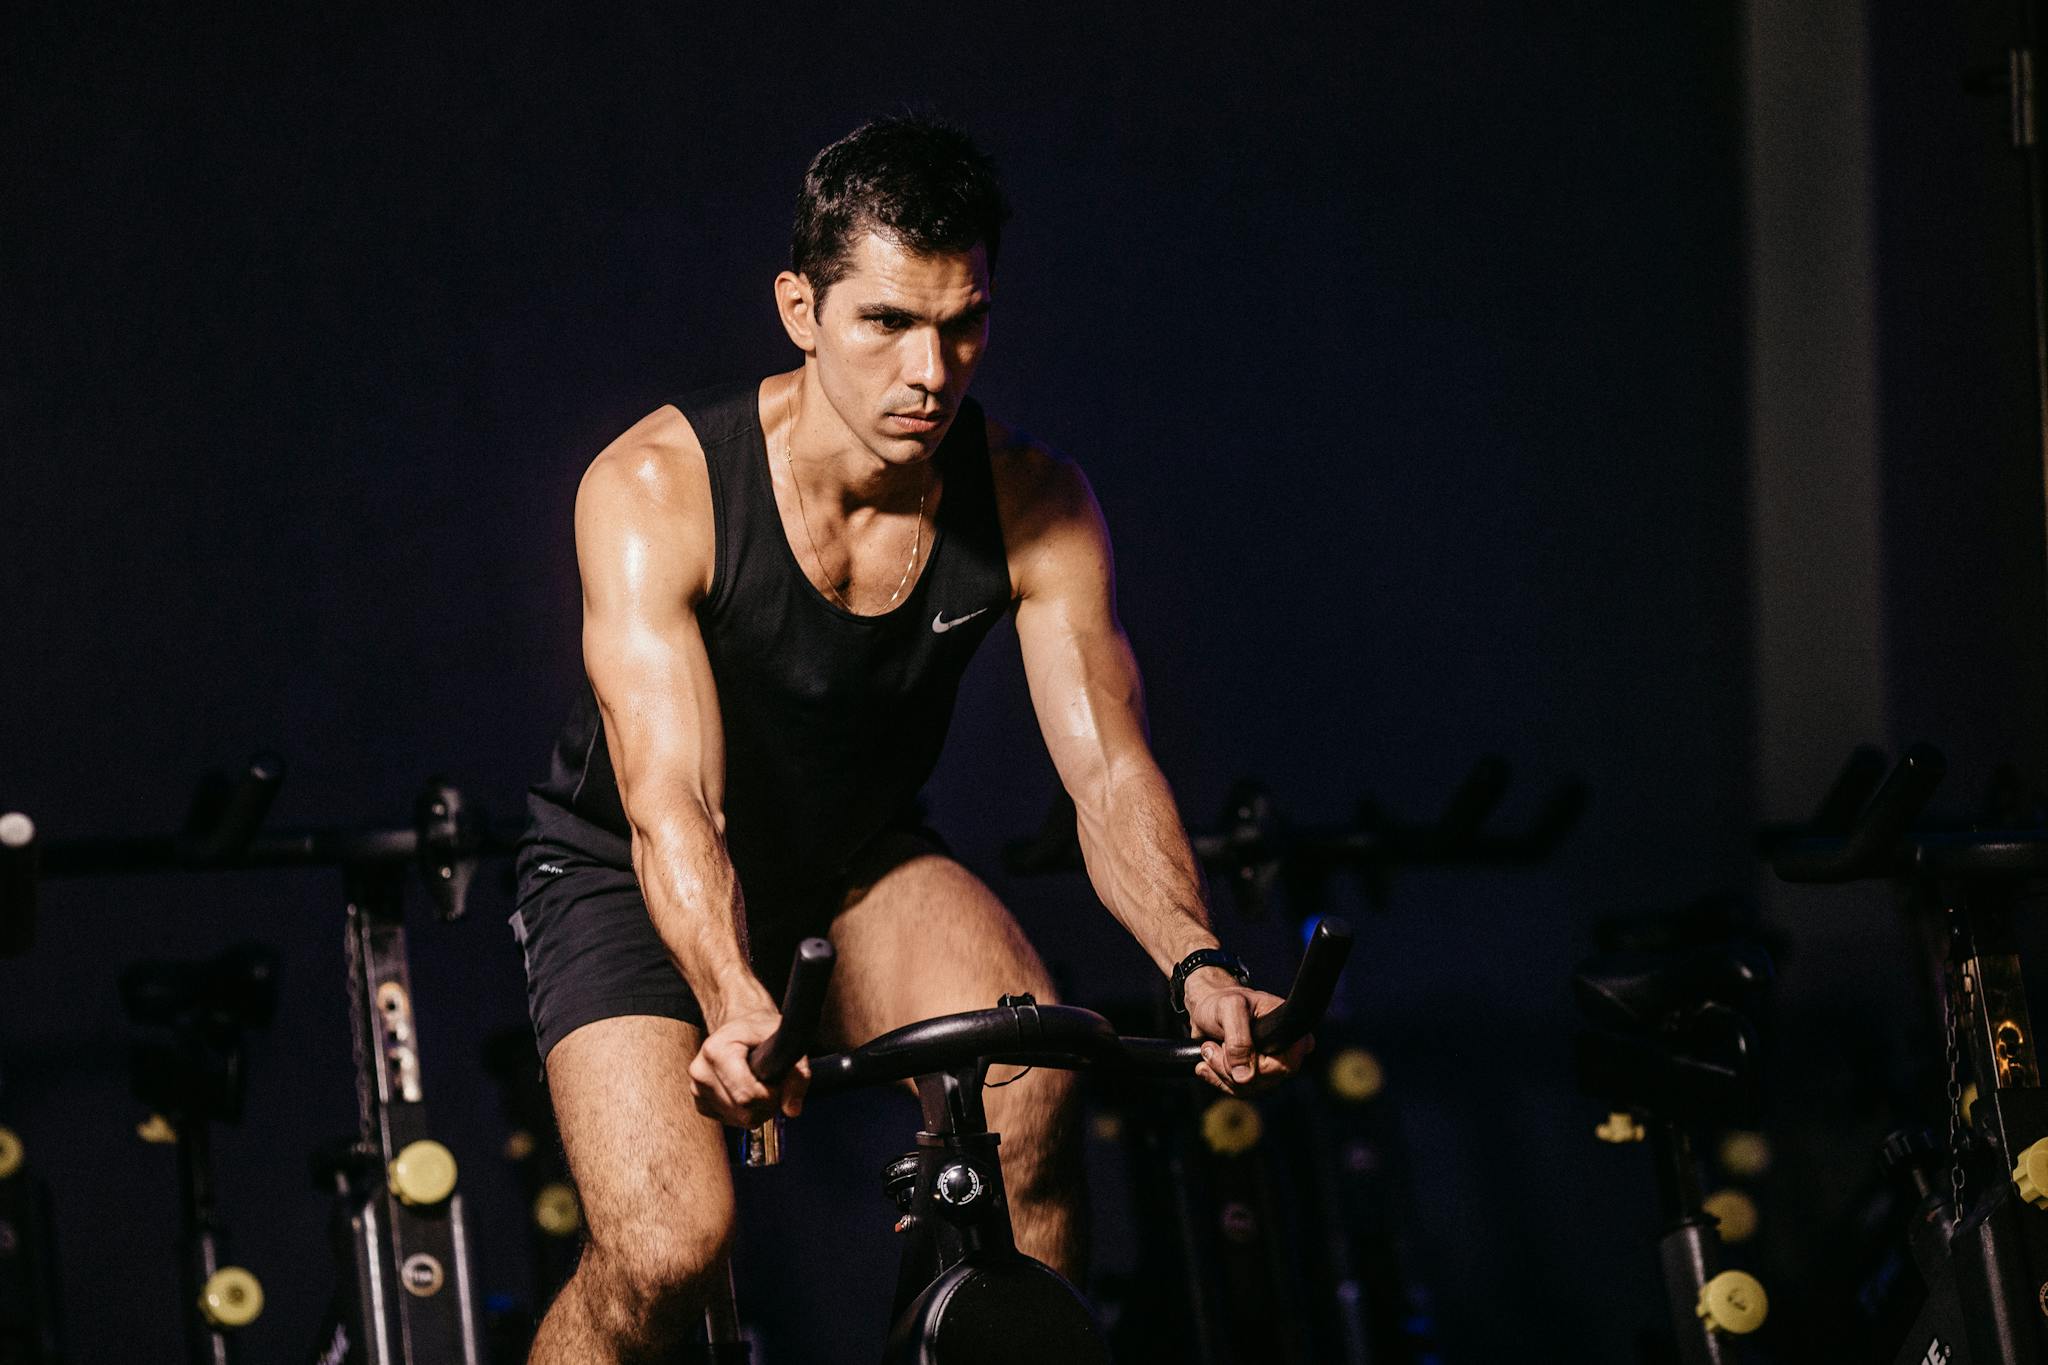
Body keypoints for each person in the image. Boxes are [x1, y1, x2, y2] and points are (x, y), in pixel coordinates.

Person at [512, 112, 1309, 1361]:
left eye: (962, 323)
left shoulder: (1035, 500)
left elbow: (1105, 768)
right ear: (799, 307)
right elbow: (672, 797)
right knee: (669, 1244)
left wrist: (1194, 961)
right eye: (885, 322)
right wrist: (729, 995)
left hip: (853, 859)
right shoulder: (657, 489)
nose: (929, 371)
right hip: (626, 869)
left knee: (1035, 1076)